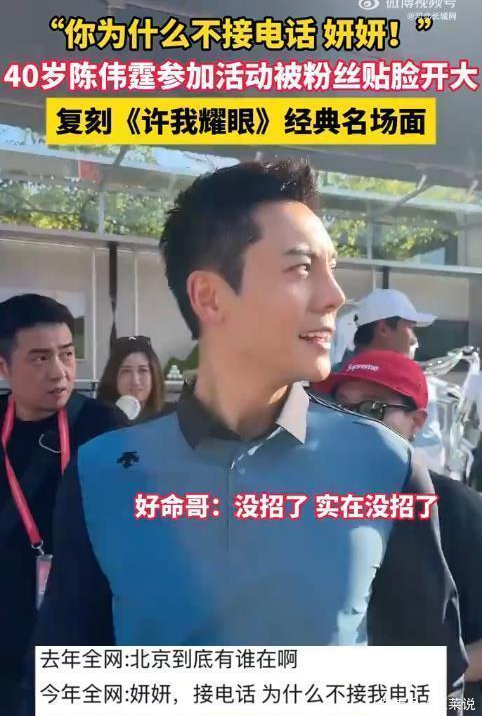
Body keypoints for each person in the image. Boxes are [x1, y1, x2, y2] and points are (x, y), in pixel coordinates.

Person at [23, 161, 466, 710]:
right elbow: (58, 685)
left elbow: (436, 680)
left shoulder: (386, 464)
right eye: (300, 268)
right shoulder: (102, 474)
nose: (334, 296)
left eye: (331, 268)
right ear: (209, 297)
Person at [320, 348, 482, 704]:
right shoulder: (314, 503)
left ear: (416, 423)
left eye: (371, 409)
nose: (351, 422)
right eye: (339, 407)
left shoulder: (457, 508)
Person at [0, 294, 128, 714]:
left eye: (67, 354)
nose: (59, 372)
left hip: (80, 628)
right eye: (40, 358)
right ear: (4, 367)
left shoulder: (104, 427)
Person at [313, 287, 445, 472]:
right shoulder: (323, 379)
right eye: (410, 327)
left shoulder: (326, 375)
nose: (414, 338)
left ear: (417, 421)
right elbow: (430, 459)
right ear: (383, 329)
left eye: (372, 410)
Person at [97, 336, 165, 421]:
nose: (135, 381)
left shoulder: (169, 420)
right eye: (126, 371)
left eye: (143, 370)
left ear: (154, 375)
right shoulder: (97, 419)